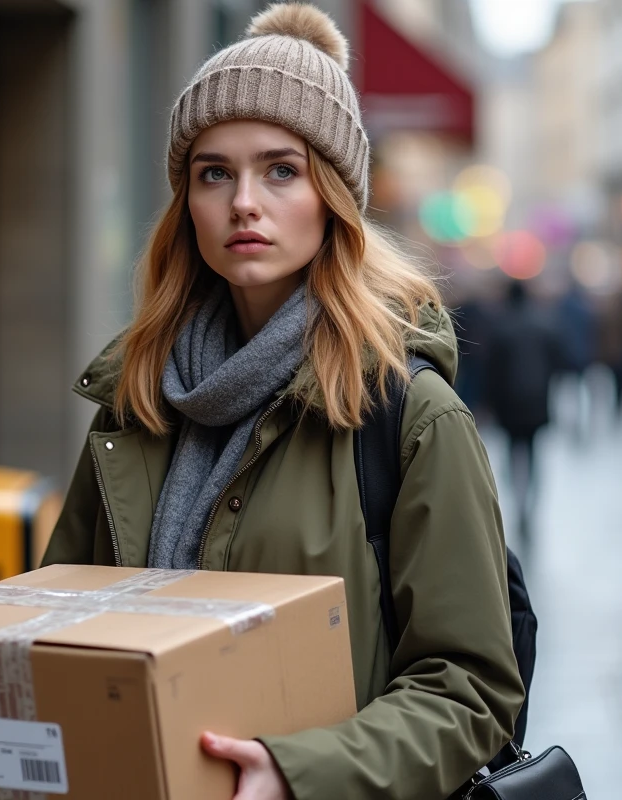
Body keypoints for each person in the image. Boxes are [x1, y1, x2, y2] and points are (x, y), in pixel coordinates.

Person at [41, 5, 523, 799]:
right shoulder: (136, 403)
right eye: (214, 173)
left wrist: (297, 774)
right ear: (187, 202)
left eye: (281, 171)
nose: (243, 202)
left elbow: (472, 691)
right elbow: (61, 626)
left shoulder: (409, 415)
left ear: (333, 195)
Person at [483, 280, 563, 541]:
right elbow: (557, 362)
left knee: (512, 451)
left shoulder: (500, 327)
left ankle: (518, 501)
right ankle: (529, 500)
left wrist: (489, 403)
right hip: (537, 401)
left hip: (509, 403)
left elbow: (491, 372)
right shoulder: (543, 324)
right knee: (532, 452)